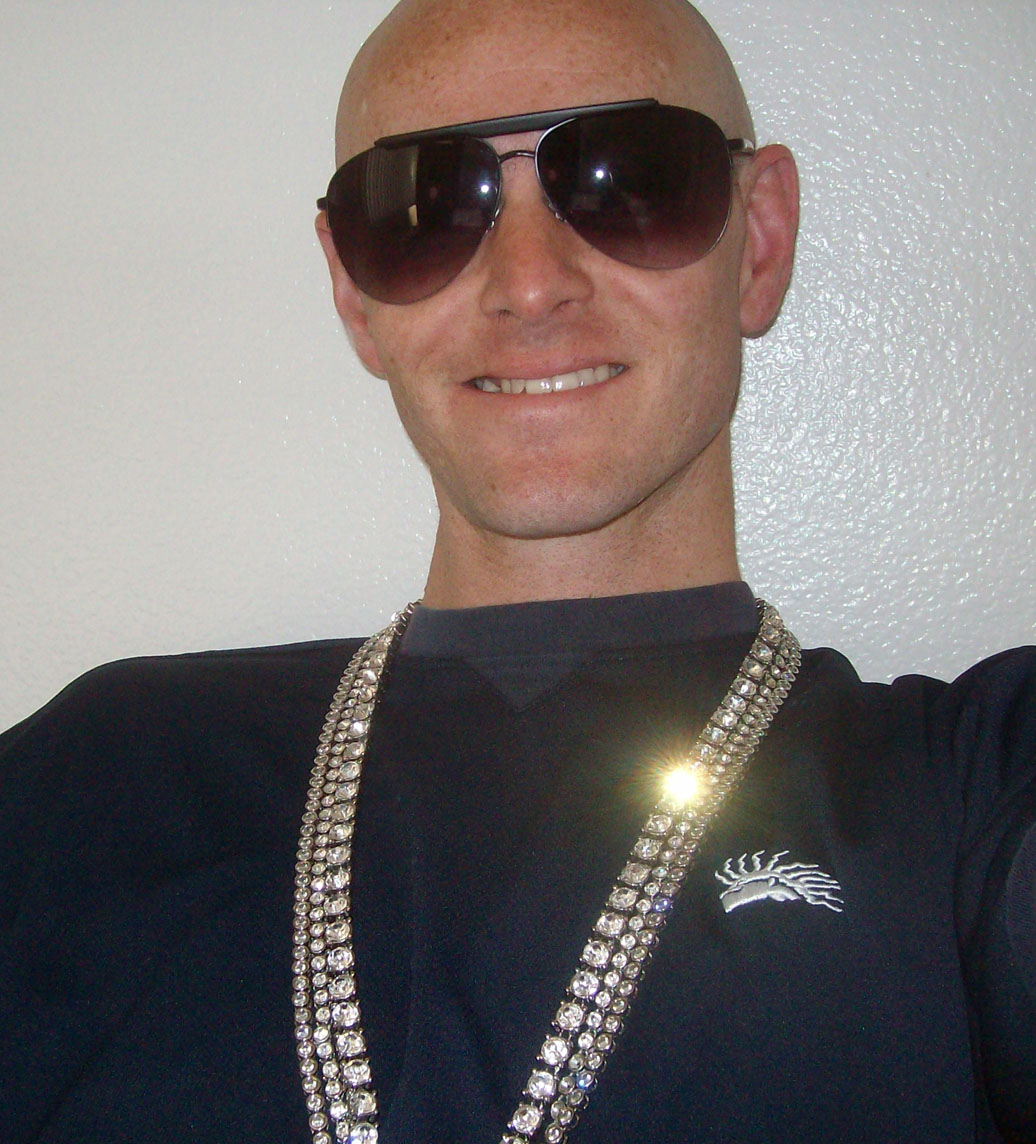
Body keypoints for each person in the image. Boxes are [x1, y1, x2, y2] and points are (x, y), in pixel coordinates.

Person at [1, 1, 1033, 1142]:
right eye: (425, 207)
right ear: (351, 290)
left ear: (761, 239)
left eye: (629, 179)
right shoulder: (100, 782)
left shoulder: (969, 795)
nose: (529, 283)